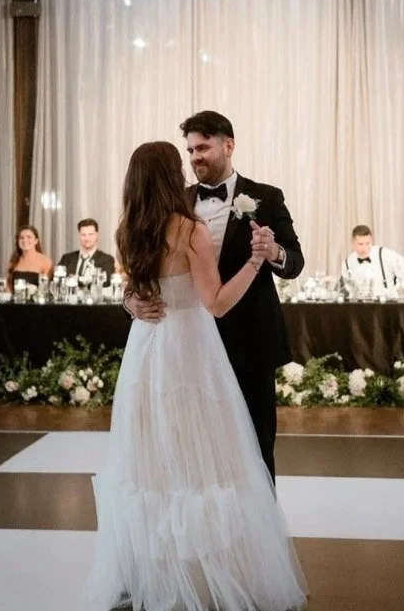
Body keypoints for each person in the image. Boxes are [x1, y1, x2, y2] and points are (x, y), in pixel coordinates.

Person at [91, 140, 307, 611]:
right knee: (206, 457)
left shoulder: (129, 229)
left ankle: (158, 573)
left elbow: (135, 290)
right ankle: (209, 573)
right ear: (171, 175)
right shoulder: (188, 229)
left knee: (155, 459)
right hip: (190, 349)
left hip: (146, 353)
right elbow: (217, 302)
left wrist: (130, 304)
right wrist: (253, 263)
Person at [125, 110, 304, 481]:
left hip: (248, 341)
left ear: (229, 145)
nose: (195, 158)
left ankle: (258, 534)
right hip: (188, 347)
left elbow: (295, 261)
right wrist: (130, 301)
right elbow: (143, 267)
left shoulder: (267, 197)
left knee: (255, 446)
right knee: (190, 448)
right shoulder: (175, 202)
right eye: (189, 150)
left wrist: (272, 253)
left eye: (203, 148)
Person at [343, 224, 404, 295]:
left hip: (388, 303)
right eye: (360, 244)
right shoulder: (347, 262)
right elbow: (348, 287)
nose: (364, 248)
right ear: (352, 242)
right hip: (361, 305)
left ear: (371, 241)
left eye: (367, 243)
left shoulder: (383, 253)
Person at [57, 218, 117, 283]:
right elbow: (57, 279)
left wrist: (75, 279)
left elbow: (107, 282)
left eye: (90, 234)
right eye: (83, 235)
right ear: (79, 235)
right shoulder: (66, 258)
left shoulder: (107, 259)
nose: (87, 238)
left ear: (97, 235)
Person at [6, 225, 53, 290]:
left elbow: (47, 288)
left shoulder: (45, 261)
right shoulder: (13, 261)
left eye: (29, 237)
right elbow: (8, 287)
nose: (25, 240)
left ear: (36, 241)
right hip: (15, 299)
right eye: (21, 238)